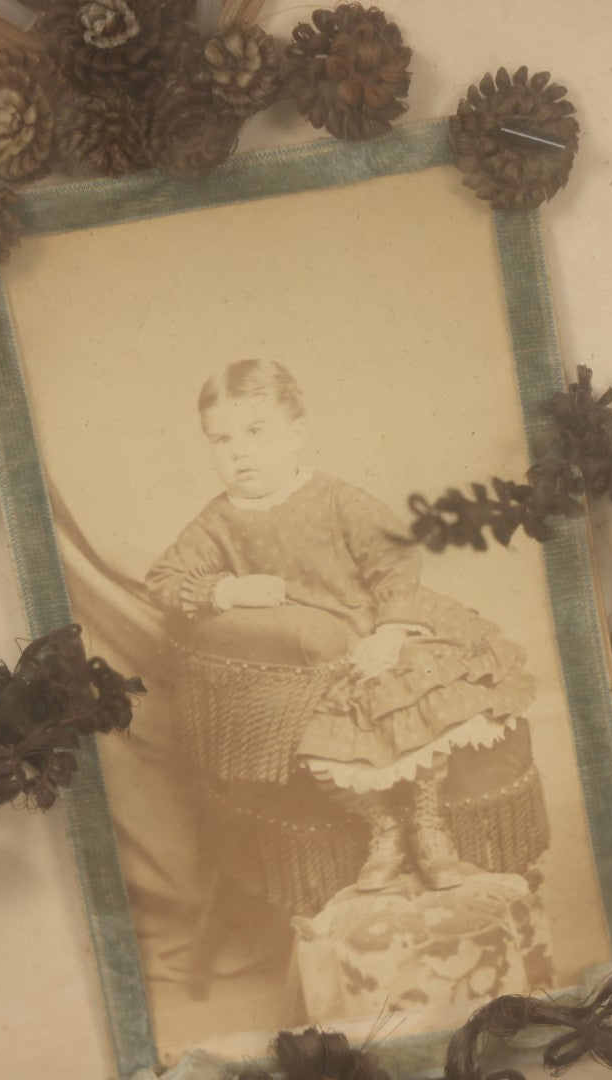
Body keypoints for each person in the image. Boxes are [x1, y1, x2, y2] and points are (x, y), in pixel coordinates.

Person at [146, 360, 536, 892]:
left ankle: (428, 824)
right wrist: (228, 590)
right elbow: (163, 579)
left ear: (296, 433)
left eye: (255, 431)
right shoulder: (217, 521)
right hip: (313, 669)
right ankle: (384, 826)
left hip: (376, 634)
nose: (238, 453)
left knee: (420, 701)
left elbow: (395, 559)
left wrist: (390, 633)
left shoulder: (334, 498)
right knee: (307, 740)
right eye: (221, 440)